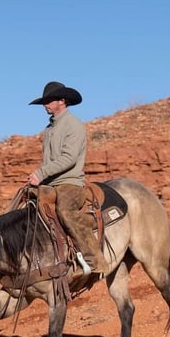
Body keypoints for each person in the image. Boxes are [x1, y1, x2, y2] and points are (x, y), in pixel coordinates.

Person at [28, 81, 110, 275]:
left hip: (69, 182)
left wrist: (40, 173)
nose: (45, 105)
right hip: (51, 183)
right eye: (44, 101)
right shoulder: (49, 129)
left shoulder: (73, 125)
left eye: (49, 100)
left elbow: (69, 158)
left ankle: (94, 259)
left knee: (65, 211)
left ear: (62, 101)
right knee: (27, 205)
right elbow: (50, 159)